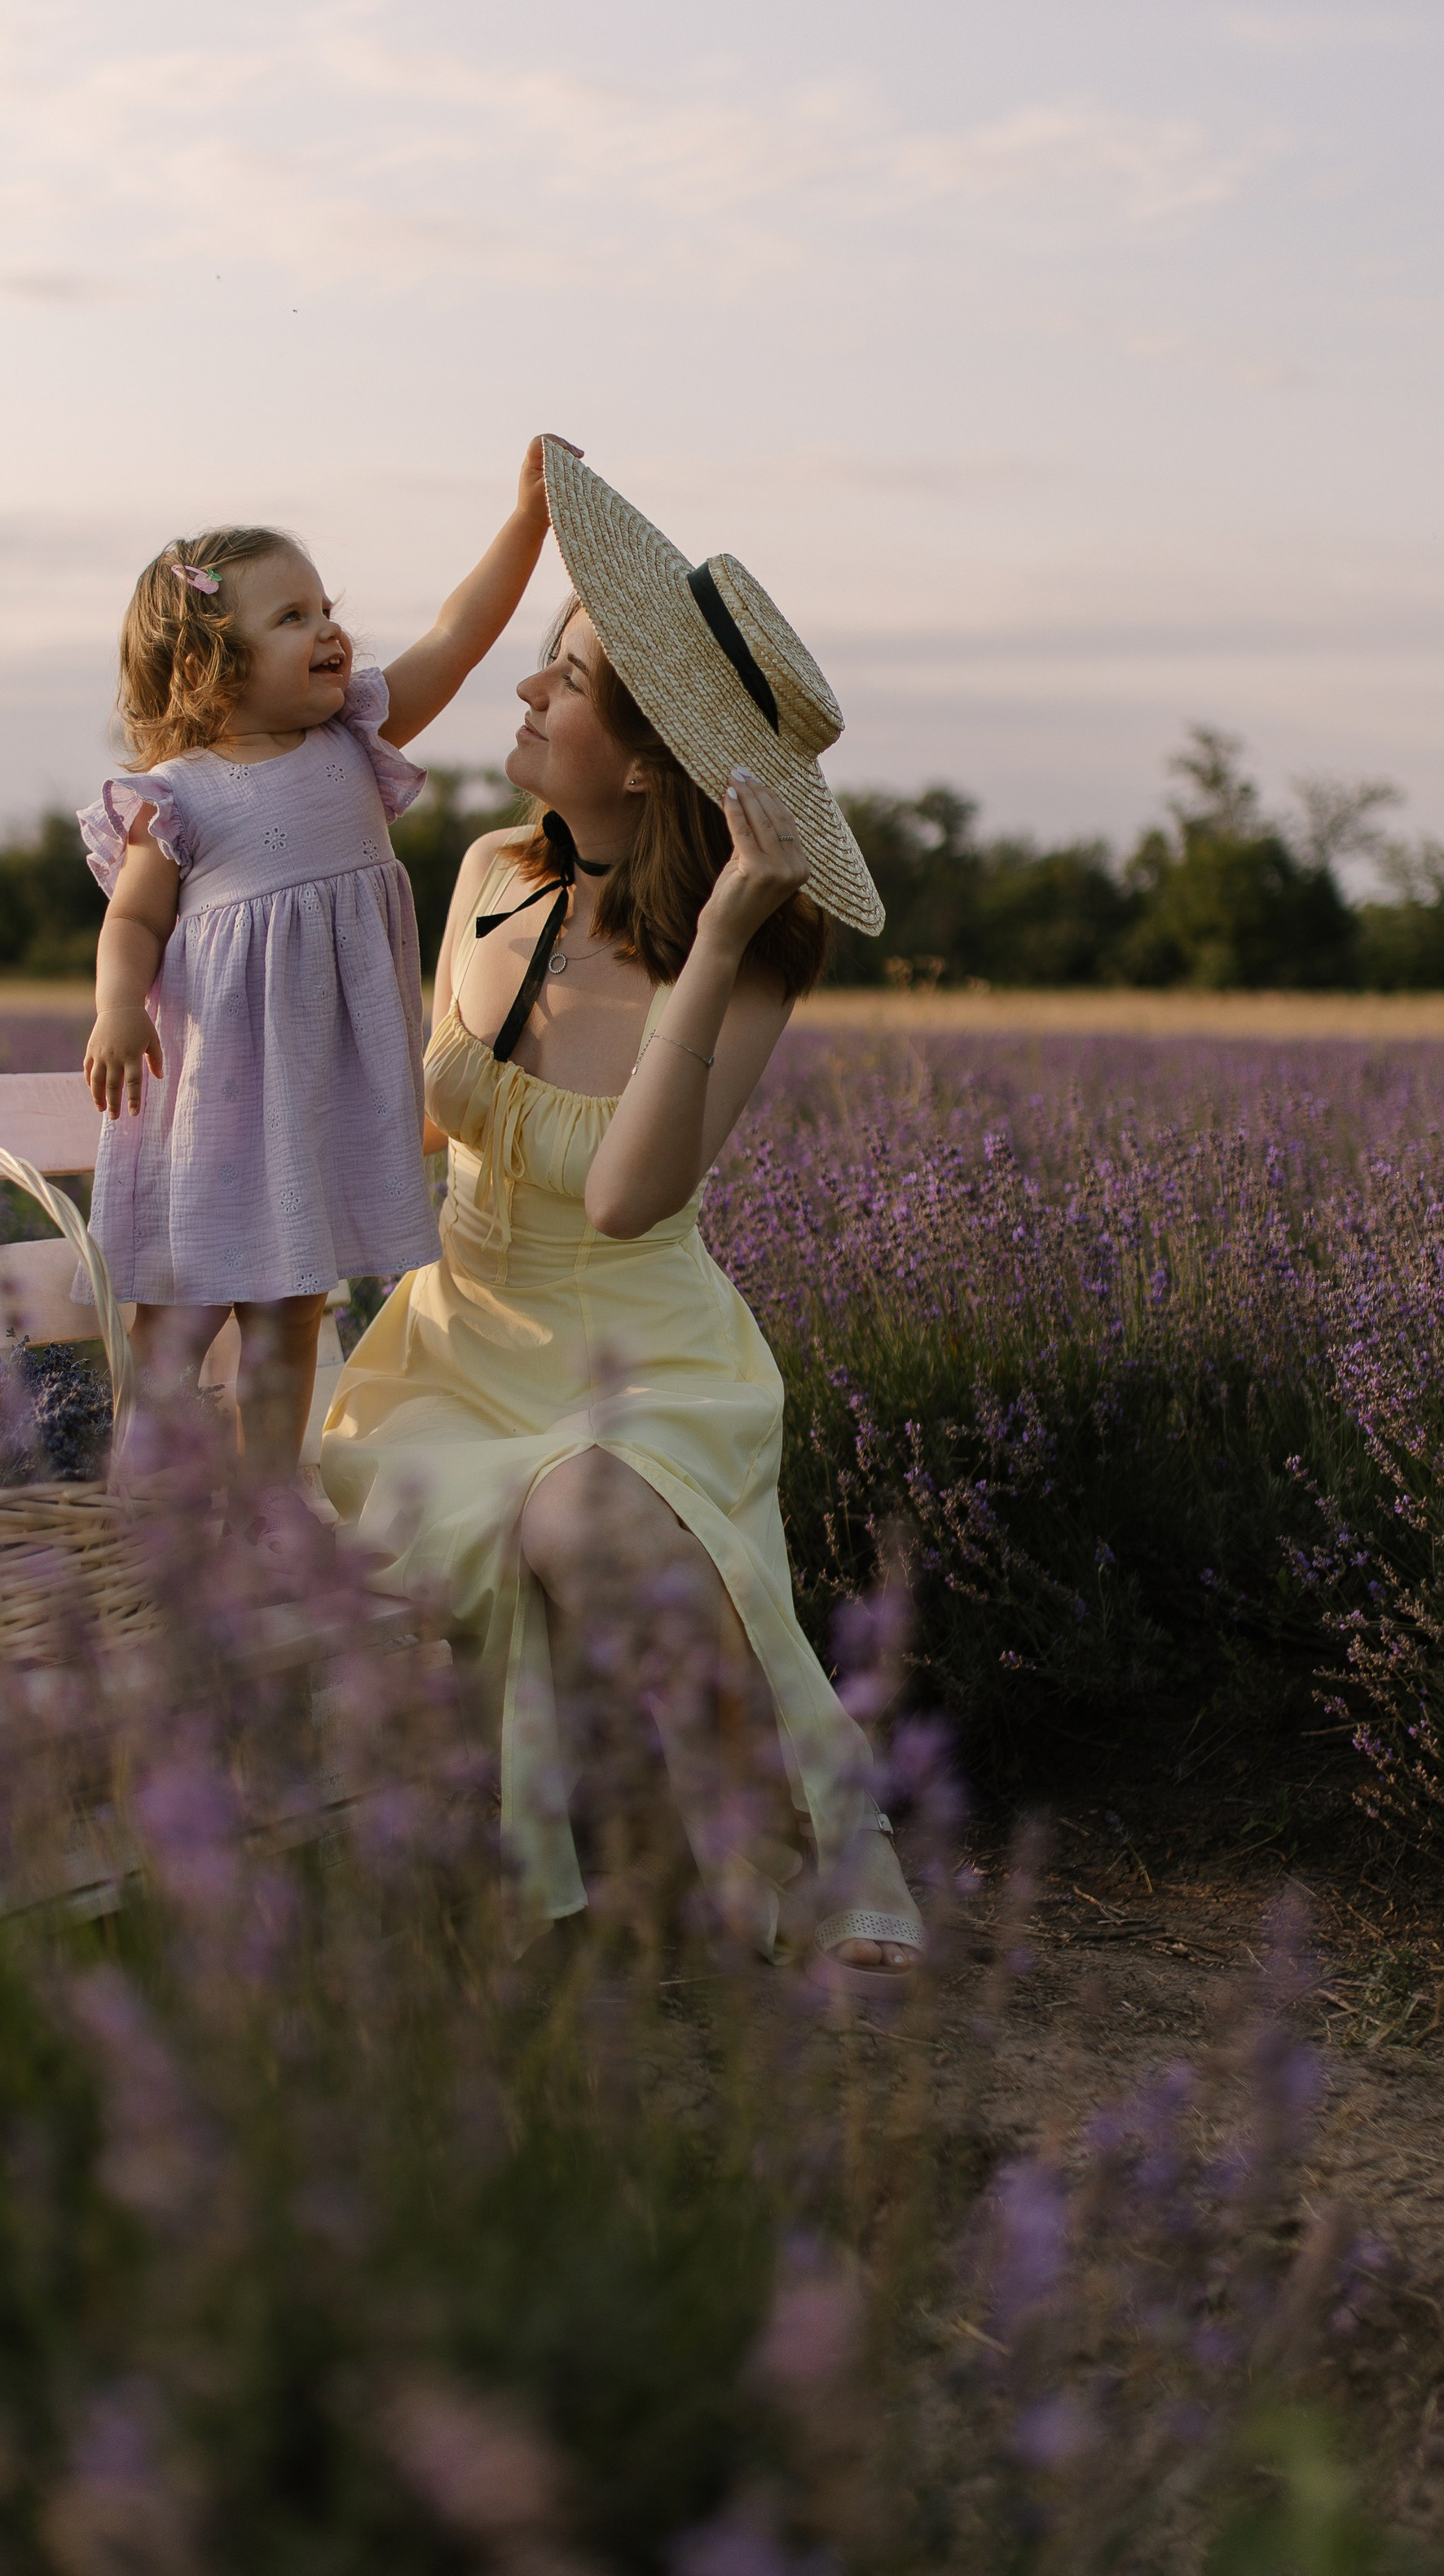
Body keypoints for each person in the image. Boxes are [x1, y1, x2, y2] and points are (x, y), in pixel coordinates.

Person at [319, 442, 923, 1992]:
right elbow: (404, 1118)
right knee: (460, 1513)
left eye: (570, 680)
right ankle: (618, 1856)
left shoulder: (753, 958)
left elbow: (625, 1195)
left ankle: (788, 1849)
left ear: (650, 763)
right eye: (545, 660)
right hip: (454, 1349)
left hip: (639, 1352)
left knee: (583, 1513)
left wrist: (712, 948)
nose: (526, 693)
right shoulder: (483, 877)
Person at [79, 439, 564, 1481]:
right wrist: (118, 1007)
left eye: (325, 607)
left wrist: (528, 521)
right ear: (209, 666)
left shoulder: (354, 738)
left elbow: (458, 637)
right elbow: (131, 924)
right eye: (291, 617)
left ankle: (266, 1506)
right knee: (177, 1316)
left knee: (292, 1310)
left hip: (310, 1099)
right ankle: (147, 1512)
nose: (329, 630)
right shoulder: (179, 795)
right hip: (215, 1110)